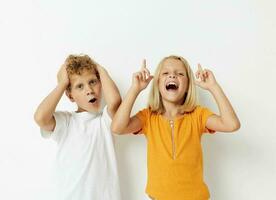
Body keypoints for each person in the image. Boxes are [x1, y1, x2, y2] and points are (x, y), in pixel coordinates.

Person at [111, 55, 240, 200]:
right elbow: (117, 128)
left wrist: (213, 87)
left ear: (188, 86)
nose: (172, 75)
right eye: (165, 73)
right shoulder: (148, 117)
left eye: (180, 73)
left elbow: (232, 124)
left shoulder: (198, 115)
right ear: (158, 83)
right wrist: (135, 89)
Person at [34, 54, 122, 200]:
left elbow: (115, 102)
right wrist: (62, 84)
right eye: (80, 86)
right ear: (70, 96)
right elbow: (40, 117)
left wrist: (99, 69)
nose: (89, 90)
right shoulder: (66, 122)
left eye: (93, 82)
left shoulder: (105, 121)